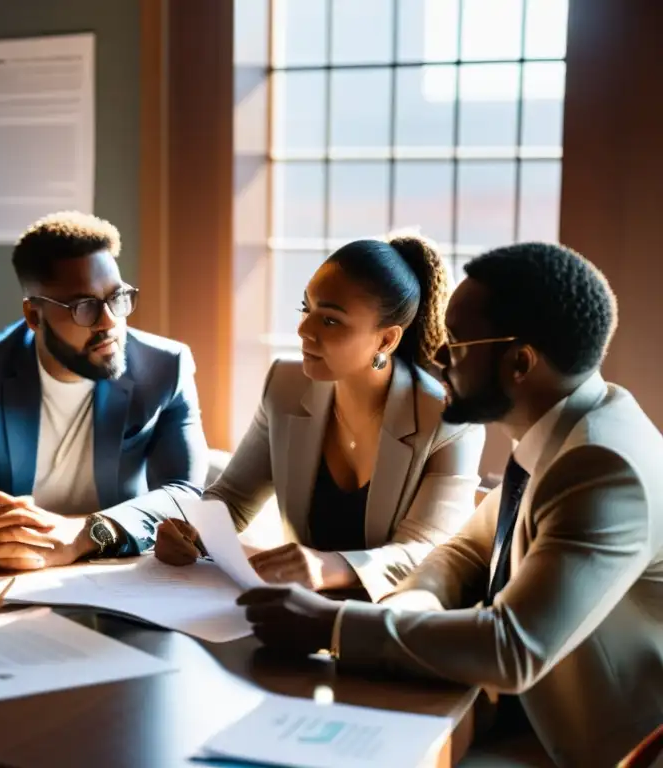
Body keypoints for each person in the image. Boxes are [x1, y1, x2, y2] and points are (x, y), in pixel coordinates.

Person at [237, 243, 663, 768]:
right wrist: (407, 606)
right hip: (516, 719)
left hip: (591, 750)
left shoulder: (601, 465)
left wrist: (332, 625)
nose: (438, 357)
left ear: (521, 363)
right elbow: (463, 551)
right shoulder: (561, 429)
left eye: (457, 342)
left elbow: (511, 647)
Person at [156, 235, 485, 602]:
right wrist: (193, 529)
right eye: (305, 308)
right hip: (291, 614)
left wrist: (328, 566)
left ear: (386, 340)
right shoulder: (284, 385)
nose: (304, 329)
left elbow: (426, 552)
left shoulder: (449, 419)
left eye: (330, 320)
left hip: (386, 625)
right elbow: (232, 498)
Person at [0, 211, 208, 570]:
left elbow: (184, 494)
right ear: (34, 316)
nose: (110, 322)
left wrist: (84, 534)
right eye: (85, 307)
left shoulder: (165, 367)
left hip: (115, 572)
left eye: (117, 297)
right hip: (4, 570)